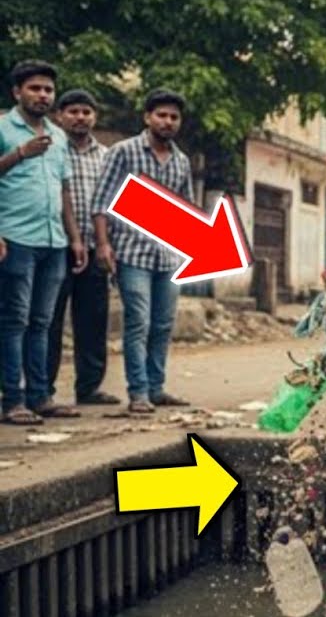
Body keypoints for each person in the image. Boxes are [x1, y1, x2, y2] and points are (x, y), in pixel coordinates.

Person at [90, 88, 195, 415]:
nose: (167, 122)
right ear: (147, 117)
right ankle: (137, 393)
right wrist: (103, 244)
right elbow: (101, 201)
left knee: (163, 324)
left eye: (174, 117)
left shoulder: (181, 161)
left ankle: (156, 387)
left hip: (168, 257)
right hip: (132, 253)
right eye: (161, 115)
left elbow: (185, 209)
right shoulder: (124, 152)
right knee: (139, 321)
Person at [0, 60, 87, 426]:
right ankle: (13, 400)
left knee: (43, 322)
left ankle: (41, 396)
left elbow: (64, 189)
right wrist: (20, 153)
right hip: (15, 238)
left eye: (48, 90)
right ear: (17, 92)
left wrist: (76, 238)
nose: (43, 95)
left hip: (53, 241)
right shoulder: (4, 127)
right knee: (13, 321)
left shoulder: (58, 135)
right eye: (35, 88)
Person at [47, 89, 119, 407]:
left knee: (93, 320)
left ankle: (88, 388)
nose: (80, 117)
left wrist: (109, 244)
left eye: (86, 112)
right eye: (73, 111)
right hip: (55, 246)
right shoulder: (51, 150)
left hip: (94, 247)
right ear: (60, 116)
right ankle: (42, 389)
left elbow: (114, 203)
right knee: (48, 319)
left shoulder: (106, 156)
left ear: (95, 117)